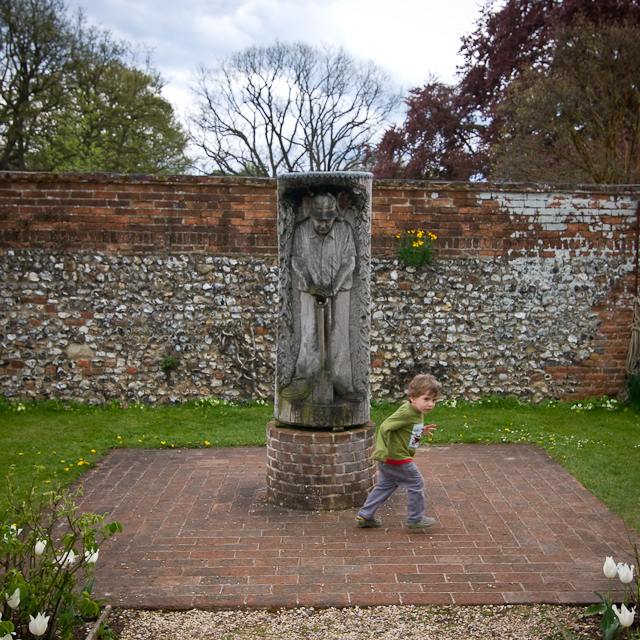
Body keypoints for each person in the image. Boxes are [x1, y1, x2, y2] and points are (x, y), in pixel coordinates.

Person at [281, 192, 364, 403]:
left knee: (339, 335)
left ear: (334, 218)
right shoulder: (301, 231)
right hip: (310, 292)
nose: (323, 225)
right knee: (309, 334)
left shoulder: (344, 230)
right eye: (319, 220)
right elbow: (296, 261)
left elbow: (349, 262)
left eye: (328, 220)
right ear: (311, 217)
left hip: (340, 290)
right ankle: (303, 379)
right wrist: (310, 284)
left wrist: (333, 287)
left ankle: (342, 382)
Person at [356, 374, 440, 529]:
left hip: (395, 458)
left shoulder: (417, 413)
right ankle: (415, 518)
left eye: (434, 400)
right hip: (396, 458)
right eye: (426, 399)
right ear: (412, 398)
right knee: (416, 483)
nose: (430, 404)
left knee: (385, 485)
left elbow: (407, 431)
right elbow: (385, 427)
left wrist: (419, 431)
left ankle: (364, 515)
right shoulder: (407, 412)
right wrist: (382, 452)